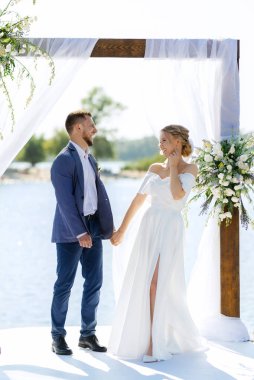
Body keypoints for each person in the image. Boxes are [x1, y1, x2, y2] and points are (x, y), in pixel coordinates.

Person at [109, 125, 204, 362]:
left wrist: (173, 167)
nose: (160, 145)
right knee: (146, 282)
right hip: (149, 226)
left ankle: (155, 343)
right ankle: (145, 336)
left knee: (156, 283)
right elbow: (139, 200)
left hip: (169, 228)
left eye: (164, 140)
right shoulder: (153, 168)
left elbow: (177, 195)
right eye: (159, 141)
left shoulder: (190, 168)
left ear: (178, 143)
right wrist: (122, 230)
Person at [50, 110, 114, 355]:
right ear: (77, 128)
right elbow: (64, 201)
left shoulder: (90, 158)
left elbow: (95, 195)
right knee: (64, 284)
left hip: (94, 229)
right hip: (70, 233)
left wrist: (105, 228)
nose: (94, 129)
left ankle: (87, 335)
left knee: (94, 282)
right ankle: (57, 337)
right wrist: (79, 233)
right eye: (91, 125)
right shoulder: (63, 160)